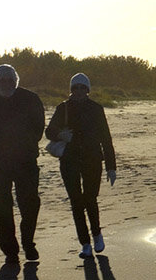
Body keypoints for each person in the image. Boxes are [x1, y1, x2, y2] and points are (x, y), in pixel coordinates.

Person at [0, 64, 46, 264]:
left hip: (26, 161)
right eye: (2, 80)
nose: (6, 84)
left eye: (10, 80)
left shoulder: (30, 99)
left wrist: (26, 145)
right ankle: (10, 250)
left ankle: (28, 243)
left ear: (16, 81)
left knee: (30, 204)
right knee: (1, 206)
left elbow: (39, 128)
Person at [45, 73, 116, 260]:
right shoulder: (63, 108)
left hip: (93, 159)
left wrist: (111, 166)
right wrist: (61, 135)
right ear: (71, 90)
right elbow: (49, 131)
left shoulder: (96, 109)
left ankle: (97, 234)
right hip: (69, 161)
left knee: (90, 199)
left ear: (87, 90)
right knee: (76, 202)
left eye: (82, 88)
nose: (78, 91)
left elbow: (106, 139)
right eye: (75, 88)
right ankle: (85, 244)